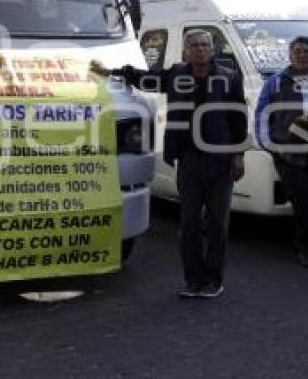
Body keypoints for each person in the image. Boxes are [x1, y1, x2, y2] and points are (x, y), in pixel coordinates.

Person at [90, 29, 247, 299]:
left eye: (204, 45)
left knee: (217, 224)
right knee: (188, 223)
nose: (200, 49)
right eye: (194, 45)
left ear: (212, 50)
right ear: (185, 51)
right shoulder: (175, 74)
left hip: (220, 160)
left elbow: (238, 118)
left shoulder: (229, 77)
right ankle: (193, 280)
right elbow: (142, 78)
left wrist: (239, 154)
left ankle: (214, 280)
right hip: (188, 160)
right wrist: (111, 71)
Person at [255, 36, 308, 267]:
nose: (303, 56)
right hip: (286, 151)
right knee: (300, 199)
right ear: (290, 55)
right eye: (298, 51)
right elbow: (261, 114)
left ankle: (306, 244)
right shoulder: (276, 82)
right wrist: (268, 145)